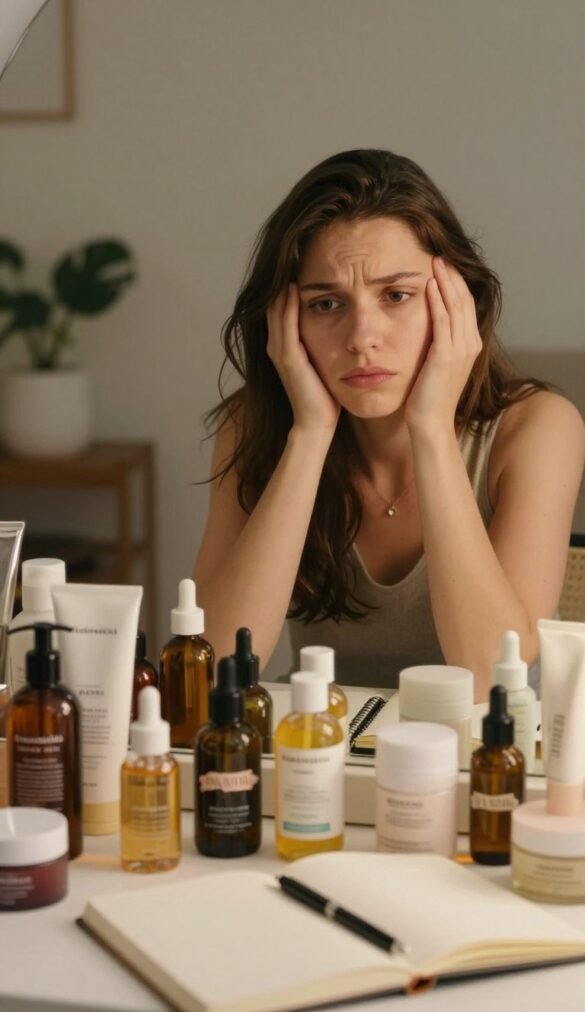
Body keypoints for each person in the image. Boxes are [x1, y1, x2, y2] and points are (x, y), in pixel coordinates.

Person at [194, 149, 584, 700]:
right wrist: (307, 437)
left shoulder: (539, 429)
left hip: (490, 758)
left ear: (455, 302)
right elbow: (214, 668)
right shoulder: (253, 427)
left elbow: (487, 675)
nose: (361, 336)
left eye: (397, 295)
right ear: (288, 322)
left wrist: (431, 428)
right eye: (327, 304)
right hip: (320, 752)